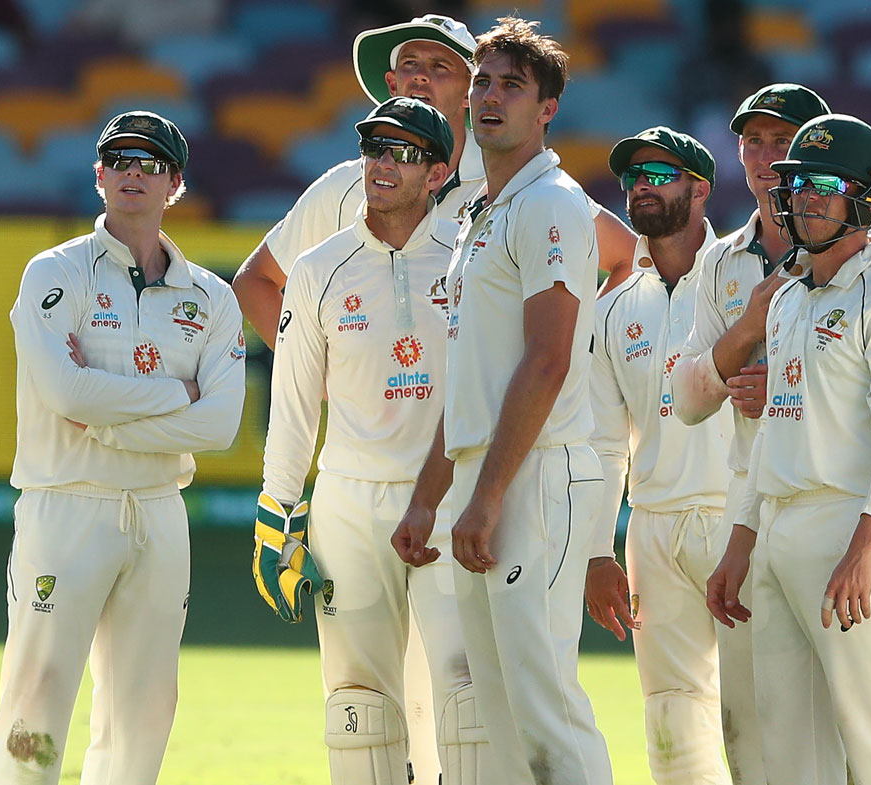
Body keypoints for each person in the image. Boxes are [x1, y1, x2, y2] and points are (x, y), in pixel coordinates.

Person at [0, 110, 245, 785]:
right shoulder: (54, 271)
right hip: (65, 504)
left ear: (175, 183)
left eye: (150, 162)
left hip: (159, 509)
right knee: (36, 698)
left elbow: (218, 426)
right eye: (120, 160)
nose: (134, 172)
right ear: (98, 175)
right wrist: (176, 392)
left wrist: (104, 412)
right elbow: (64, 394)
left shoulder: (211, 296)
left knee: (145, 708)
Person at [393, 17, 610, 783]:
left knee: (543, 703)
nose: (489, 97)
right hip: (492, 474)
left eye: (512, 85)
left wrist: (484, 497)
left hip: (536, 476)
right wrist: (430, 497)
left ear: (547, 108)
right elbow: (474, 376)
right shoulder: (485, 214)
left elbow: (547, 360)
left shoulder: (551, 202)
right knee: (501, 708)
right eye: (482, 82)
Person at [706, 114, 871, 785]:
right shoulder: (785, 302)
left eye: (826, 183)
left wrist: (865, 547)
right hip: (779, 526)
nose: (807, 195)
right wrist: (742, 540)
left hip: (853, 526)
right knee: (789, 751)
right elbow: (772, 430)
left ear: (865, 198)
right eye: (799, 181)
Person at [254, 97, 483, 785]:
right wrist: (275, 514)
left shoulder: (471, 261)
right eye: (376, 148)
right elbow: (292, 404)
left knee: (468, 699)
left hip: (445, 500)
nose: (384, 164)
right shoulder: (319, 267)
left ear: (439, 172)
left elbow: (493, 401)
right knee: (358, 708)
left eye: (405, 153)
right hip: (348, 506)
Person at [232, 13, 638, 349]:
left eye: (440, 67)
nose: (421, 77)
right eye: (409, 65)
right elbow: (255, 281)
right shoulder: (344, 187)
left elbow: (630, 260)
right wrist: (317, 375)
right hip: (371, 440)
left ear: (470, 93)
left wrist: (579, 345)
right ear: (391, 85)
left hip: (477, 432)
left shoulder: (512, 182)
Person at [584, 126, 761, 784]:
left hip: (739, 516)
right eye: (634, 177)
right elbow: (604, 441)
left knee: (759, 717)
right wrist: (599, 549)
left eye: (660, 174)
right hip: (653, 528)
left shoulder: (744, 279)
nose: (642, 186)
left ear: (701, 188)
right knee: (671, 725)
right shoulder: (613, 309)